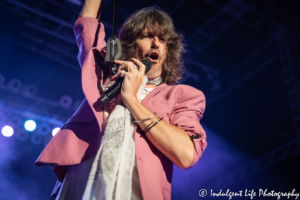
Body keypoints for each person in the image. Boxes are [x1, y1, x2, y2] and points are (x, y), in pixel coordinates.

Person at [35, 0, 207, 199]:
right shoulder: (106, 75)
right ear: (131, 46)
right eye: (147, 36)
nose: (156, 44)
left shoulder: (183, 96)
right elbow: (87, 24)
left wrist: (131, 99)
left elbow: (186, 155)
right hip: (80, 185)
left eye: (163, 39)